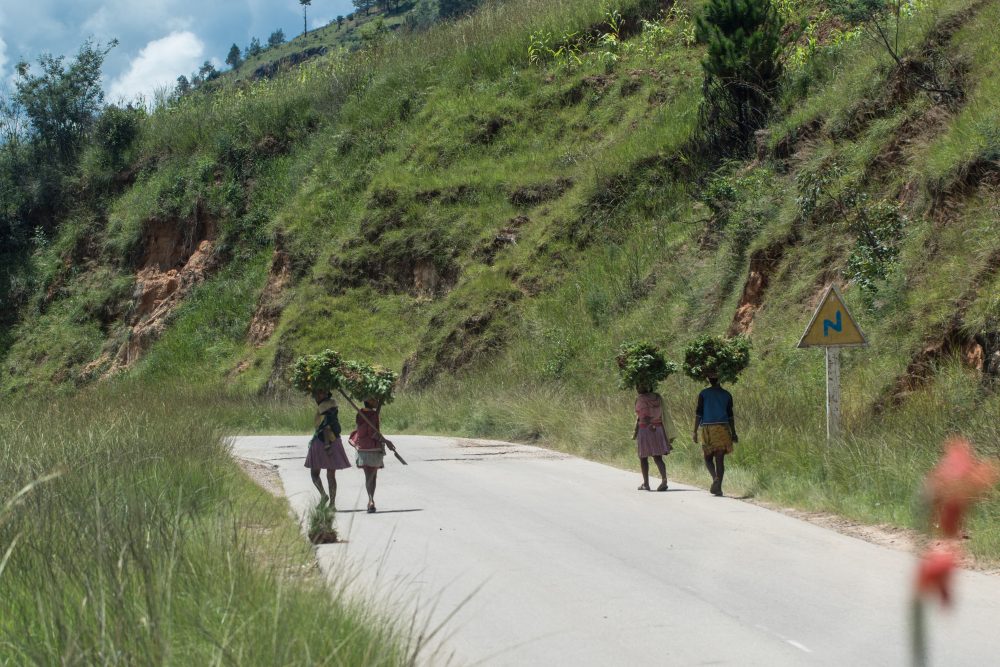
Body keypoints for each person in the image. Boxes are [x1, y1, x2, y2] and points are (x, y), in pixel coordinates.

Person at [350, 397, 398, 513]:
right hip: (374, 449)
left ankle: (370, 500)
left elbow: (361, 430)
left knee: (368, 476)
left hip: (362, 449)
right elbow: (373, 433)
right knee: (373, 476)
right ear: (370, 401)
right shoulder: (374, 415)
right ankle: (371, 500)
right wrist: (386, 441)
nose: (377, 402)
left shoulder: (359, 414)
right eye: (375, 400)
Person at [305, 389, 351, 506]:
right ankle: (332, 504)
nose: (316, 398)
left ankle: (324, 496)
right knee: (331, 475)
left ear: (323, 394)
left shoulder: (325, 407)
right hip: (334, 441)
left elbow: (326, 427)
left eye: (318, 395)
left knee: (315, 474)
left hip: (323, 442)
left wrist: (326, 444)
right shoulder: (333, 405)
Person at [693, 373, 737, 497]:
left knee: (707, 458)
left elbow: (699, 413)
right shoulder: (727, 394)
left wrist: (694, 431)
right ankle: (719, 487)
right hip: (723, 428)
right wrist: (733, 432)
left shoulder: (703, 394)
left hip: (708, 429)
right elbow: (730, 416)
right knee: (720, 460)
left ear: (709, 379)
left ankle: (715, 479)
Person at [632, 385, 678, 491]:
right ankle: (664, 480)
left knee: (643, 457)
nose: (637, 388)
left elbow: (642, 415)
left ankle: (646, 483)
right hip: (658, 429)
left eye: (639, 386)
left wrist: (648, 425)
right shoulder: (657, 397)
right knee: (657, 457)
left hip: (646, 429)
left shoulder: (640, 399)